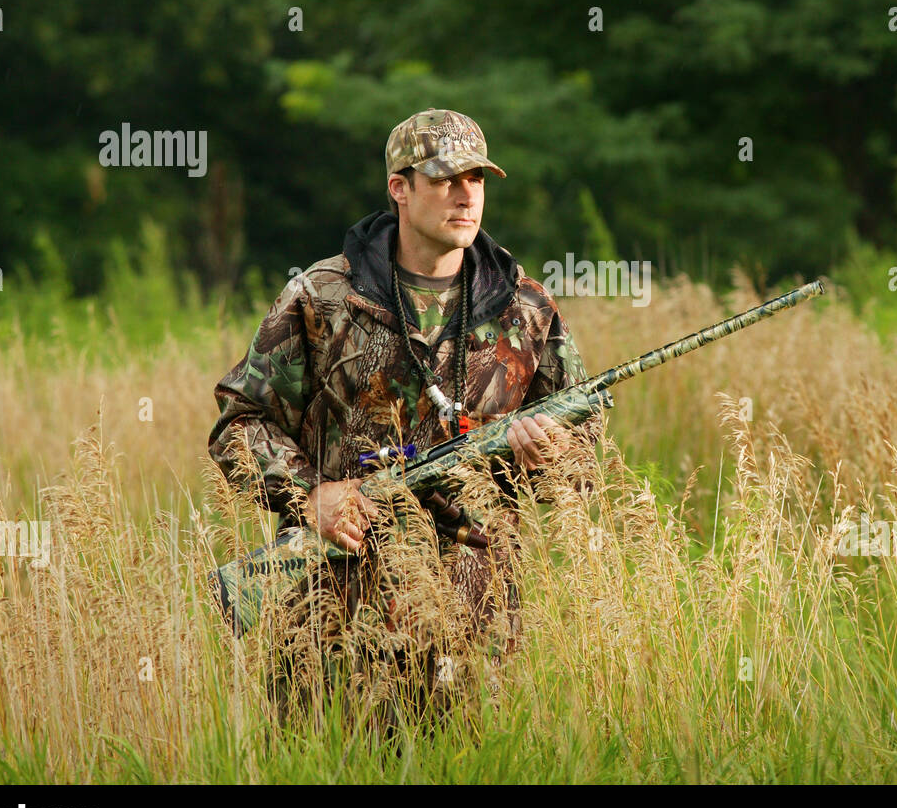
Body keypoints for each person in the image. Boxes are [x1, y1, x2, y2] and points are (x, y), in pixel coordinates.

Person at [207, 107, 601, 721]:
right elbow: (239, 422)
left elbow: (582, 451)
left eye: (479, 180)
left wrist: (548, 459)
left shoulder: (525, 308)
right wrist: (311, 496)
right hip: (335, 623)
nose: (467, 196)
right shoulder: (323, 298)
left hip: (475, 631)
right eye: (446, 179)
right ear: (400, 187)